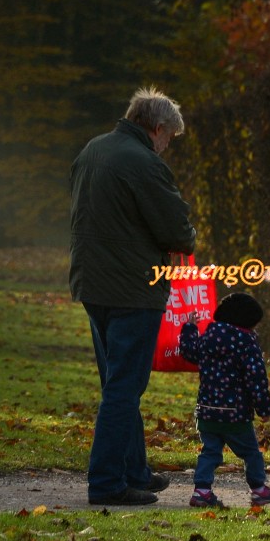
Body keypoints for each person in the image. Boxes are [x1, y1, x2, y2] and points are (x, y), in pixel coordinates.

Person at [68, 88, 195, 506]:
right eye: (169, 139)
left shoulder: (93, 150)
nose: (167, 147)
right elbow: (175, 230)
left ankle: (134, 471)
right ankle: (106, 483)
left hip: (93, 283)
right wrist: (187, 237)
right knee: (125, 387)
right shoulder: (144, 163)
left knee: (117, 382)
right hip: (133, 288)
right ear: (157, 128)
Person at [177, 293, 270, 509]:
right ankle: (259, 489)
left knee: (210, 452)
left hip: (206, 412)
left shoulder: (207, 337)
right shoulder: (247, 343)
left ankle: (201, 491)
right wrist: (264, 409)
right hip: (236, 414)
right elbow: (256, 378)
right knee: (251, 453)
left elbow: (189, 351)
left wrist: (189, 328)